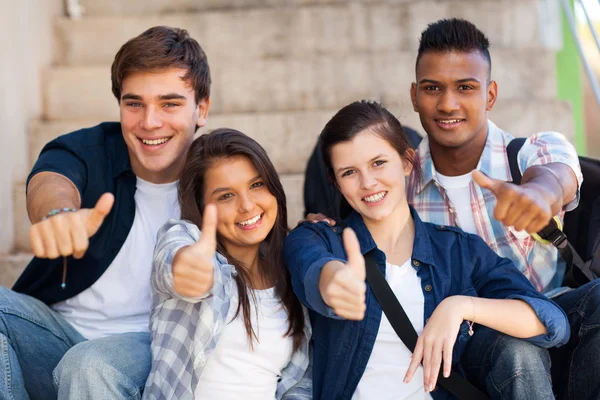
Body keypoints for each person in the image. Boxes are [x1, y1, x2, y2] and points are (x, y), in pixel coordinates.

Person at [285, 100, 569, 400]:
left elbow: (553, 323)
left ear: (407, 162)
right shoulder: (318, 239)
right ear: (335, 182)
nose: (368, 182)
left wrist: (460, 306)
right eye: (349, 173)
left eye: (378, 163)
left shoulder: (457, 250)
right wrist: (333, 282)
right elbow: (311, 267)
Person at [0, 26, 211, 399]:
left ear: (202, 109)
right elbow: (51, 178)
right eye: (134, 103)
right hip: (56, 338)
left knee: (91, 364)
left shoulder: (220, 172)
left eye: (170, 103)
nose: (150, 122)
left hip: (152, 348)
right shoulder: (91, 147)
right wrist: (58, 215)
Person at [406, 18, 600, 399]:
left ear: (490, 95)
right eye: (433, 88)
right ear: (414, 95)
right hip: (471, 343)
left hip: (554, 309)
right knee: (518, 350)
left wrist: (538, 195)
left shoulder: (527, 153)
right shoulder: (403, 184)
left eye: (466, 87)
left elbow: (556, 174)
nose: (448, 103)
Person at [144, 129, 311, 399]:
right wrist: (185, 270)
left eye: (256, 185)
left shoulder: (292, 268)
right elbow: (173, 261)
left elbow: (299, 384)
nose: (247, 205)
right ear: (200, 205)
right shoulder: (186, 240)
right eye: (226, 196)